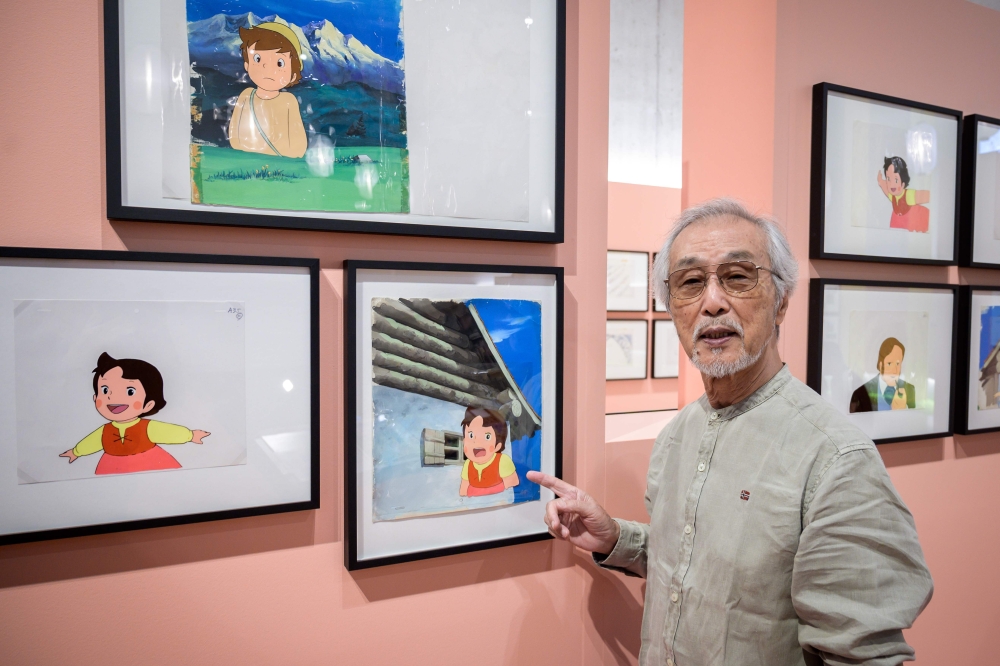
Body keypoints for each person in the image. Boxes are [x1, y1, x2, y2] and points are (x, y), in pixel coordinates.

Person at [527, 198, 932, 666]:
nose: (712, 301)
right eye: (691, 283)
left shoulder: (835, 460)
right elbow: (698, 565)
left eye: (738, 277)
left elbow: (864, 656)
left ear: (781, 301)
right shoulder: (678, 435)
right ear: (672, 309)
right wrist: (616, 537)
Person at [59, 352, 210, 475]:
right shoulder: (104, 431)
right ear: (95, 398)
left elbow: (168, 432)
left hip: (151, 463)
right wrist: (76, 452)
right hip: (112, 466)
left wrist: (190, 435)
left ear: (149, 404)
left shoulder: (147, 427)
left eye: (129, 391)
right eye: (105, 390)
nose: (113, 397)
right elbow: (91, 442)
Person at [228, 22, 308, 159]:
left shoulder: (288, 101)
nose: (266, 67)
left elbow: (298, 144)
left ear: (293, 74)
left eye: (279, 63)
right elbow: (234, 133)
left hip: (280, 163)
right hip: (246, 159)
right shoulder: (246, 96)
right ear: (247, 65)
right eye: (257, 59)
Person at [459, 406, 519, 497]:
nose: (476, 441)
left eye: (487, 437)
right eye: (471, 435)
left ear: (498, 445)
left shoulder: (502, 461)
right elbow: (463, 489)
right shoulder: (468, 464)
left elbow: (512, 486)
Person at [849, 337, 916, 412]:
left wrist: (904, 410)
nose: (895, 370)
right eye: (889, 363)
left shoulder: (910, 390)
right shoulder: (860, 394)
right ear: (881, 366)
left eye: (898, 363)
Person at [876, 156, 930, 233]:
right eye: (888, 179)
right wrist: (881, 182)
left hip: (910, 223)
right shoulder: (892, 196)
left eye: (896, 179)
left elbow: (925, 195)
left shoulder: (908, 195)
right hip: (897, 222)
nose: (892, 184)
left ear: (903, 183)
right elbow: (886, 189)